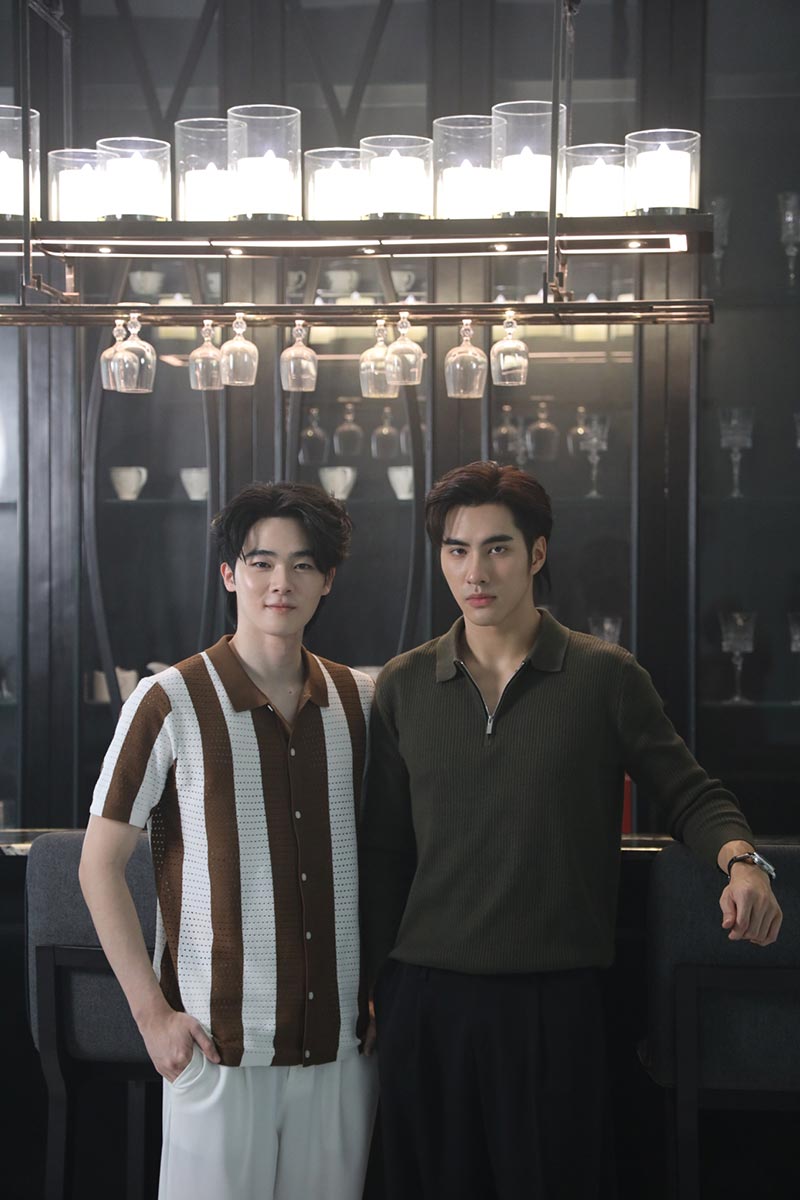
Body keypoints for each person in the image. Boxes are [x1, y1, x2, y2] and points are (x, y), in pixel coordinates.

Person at [360, 460, 782, 1200]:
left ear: (537, 553)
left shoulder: (604, 676)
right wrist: (370, 988)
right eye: (457, 550)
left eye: (497, 548)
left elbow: (690, 794)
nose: (475, 572)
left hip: (554, 1007)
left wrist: (744, 862)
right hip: (426, 1005)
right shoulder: (404, 684)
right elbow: (385, 853)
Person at [80, 482, 378, 1200]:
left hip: (340, 1047)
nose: (282, 582)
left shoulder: (362, 701)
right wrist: (153, 1018)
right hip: (216, 1049)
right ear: (229, 574)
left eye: (304, 565)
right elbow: (98, 867)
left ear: (328, 580)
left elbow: (389, 860)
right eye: (261, 562)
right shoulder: (167, 700)